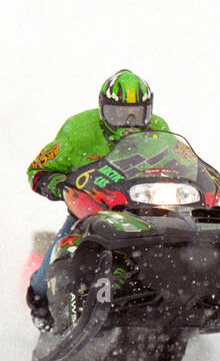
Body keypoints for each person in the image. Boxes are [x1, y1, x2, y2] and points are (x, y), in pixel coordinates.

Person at [26, 71, 170, 329]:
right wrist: (57, 185)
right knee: (50, 267)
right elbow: (38, 168)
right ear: (103, 110)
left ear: (148, 113)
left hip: (146, 211)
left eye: (135, 115)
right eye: (118, 114)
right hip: (90, 210)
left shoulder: (159, 130)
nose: (128, 123)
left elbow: (176, 162)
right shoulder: (78, 130)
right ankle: (42, 302)